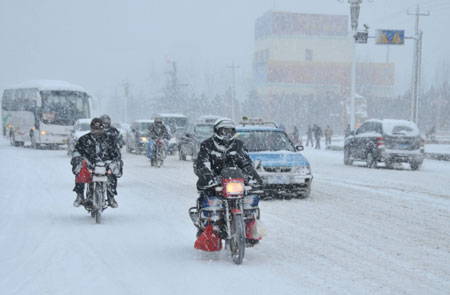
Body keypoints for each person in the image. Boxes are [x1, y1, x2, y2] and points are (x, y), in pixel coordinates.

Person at [194, 118, 263, 238]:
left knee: (250, 201)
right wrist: (208, 177)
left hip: (235, 183)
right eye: (223, 131)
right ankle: (206, 229)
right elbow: (202, 163)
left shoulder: (238, 145)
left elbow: (246, 163)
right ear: (216, 131)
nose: (226, 134)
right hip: (215, 184)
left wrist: (253, 178)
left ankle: (250, 231)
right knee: (207, 200)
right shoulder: (207, 145)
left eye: (229, 131)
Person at [71, 118, 121, 208]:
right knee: (80, 171)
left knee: (112, 173)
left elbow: (116, 153)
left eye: (99, 129)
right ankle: (79, 196)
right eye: (94, 129)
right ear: (91, 128)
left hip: (105, 165)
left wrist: (114, 161)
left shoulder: (110, 140)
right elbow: (76, 151)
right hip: (89, 165)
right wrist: (78, 159)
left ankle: (111, 197)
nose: (97, 131)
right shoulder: (84, 139)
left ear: (103, 128)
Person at [100, 114, 123, 202]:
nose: (105, 124)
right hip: (96, 158)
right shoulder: (96, 130)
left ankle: (111, 197)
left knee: (112, 176)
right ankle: (86, 194)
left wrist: (116, 155)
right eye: (103, 122)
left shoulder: (114, 131)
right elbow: (89, 141)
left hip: (110, 158)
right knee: (88, 174)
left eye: (106, 122)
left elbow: (120, 142)